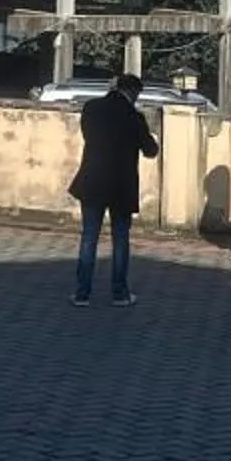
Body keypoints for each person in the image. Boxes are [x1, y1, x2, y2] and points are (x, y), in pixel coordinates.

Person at [70, 73, 159, 306]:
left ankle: (82, 293)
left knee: (89, 237)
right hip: (121, 184)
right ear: (134, 92)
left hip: (92, 180)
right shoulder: (134, 117)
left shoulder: (91, 108)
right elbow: (151, 150)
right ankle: (119, 293)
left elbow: (87, 134)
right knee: (120, 239)